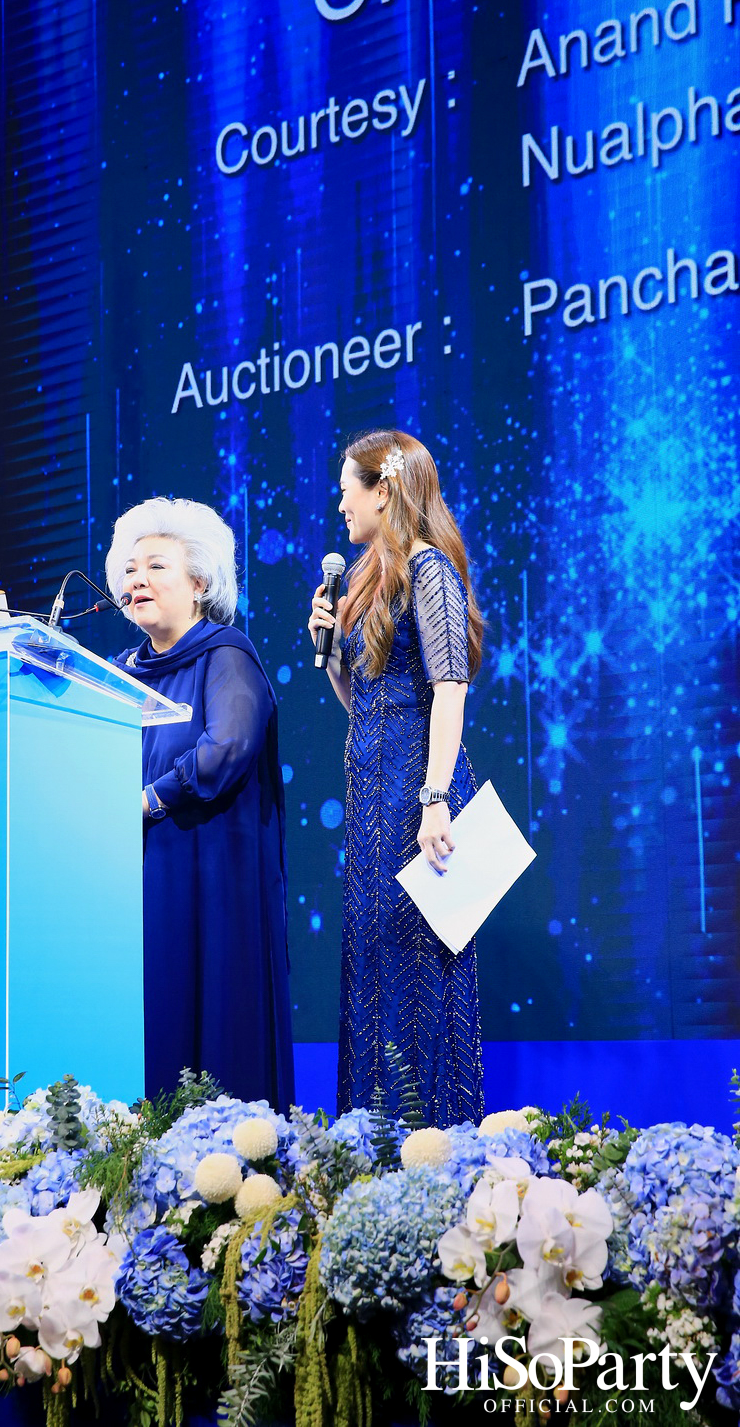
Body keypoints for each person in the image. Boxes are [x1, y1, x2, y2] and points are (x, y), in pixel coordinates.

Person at [308, 429, 485, 1124]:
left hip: (417, 795)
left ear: (383, 490)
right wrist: (330, 658)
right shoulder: (368, 580)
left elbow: (450, 686)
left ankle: (432, 1145)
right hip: (374, 801)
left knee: (419, 975)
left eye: (347, 488)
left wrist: (435, 798)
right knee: (376, 970)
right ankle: (374, 1147)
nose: (340, 503)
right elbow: (367, 702)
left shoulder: (430, 568)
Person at [106, 497, 294, 1110]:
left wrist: (150, 799)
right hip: (132, 882)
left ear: (200, 583)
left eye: (155, 567)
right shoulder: (113, 673)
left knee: (215, 1032)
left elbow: (229, 746)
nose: (137, 580)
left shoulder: (225, 654)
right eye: (130, 570)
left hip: (213, 878)